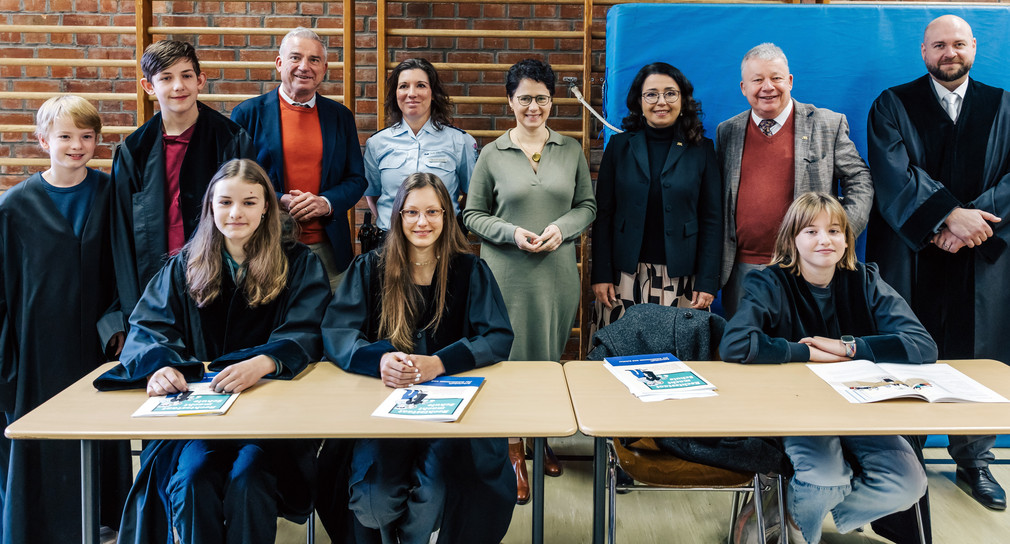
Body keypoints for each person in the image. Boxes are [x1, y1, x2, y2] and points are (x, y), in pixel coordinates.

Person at [93, 159, 331, 544]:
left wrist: (266, 360)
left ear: (267, 206)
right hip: (197, 418)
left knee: (249, 477)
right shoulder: (184, 266)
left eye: (249, 202)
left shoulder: (299, 264)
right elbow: (149, 327)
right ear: (210, 207)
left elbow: (310, 329)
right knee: (193, 477)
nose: (236, 213)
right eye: (225, 202)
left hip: (269, 419)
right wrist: (160, 367)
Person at [721, 192, 934, 544]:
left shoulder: (865, 280)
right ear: (792, 239)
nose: (825, 240)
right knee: (825, 479)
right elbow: (735, 344)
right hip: (797, 407)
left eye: (835, 230)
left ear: (847, 239)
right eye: (811, 231)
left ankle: (788, 509)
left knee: (909, 482)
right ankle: (805, 522)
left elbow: (922, 344)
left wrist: (850, 348)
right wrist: (806, 354)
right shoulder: (769, 281)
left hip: (859, 407)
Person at [319, 173, 516, 544]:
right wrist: (377, 361)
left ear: (447, 216)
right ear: (397, 216)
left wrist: (440, 363)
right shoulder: (369, 268)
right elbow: (337, 333)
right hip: (380, 411)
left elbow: (496, 336)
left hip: (451, 416)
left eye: (432, 212)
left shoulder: (470, 271)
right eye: (411, 212)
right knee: (372, 499)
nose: (422, 222)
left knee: (435, 491)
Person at [866, 14, 1010, 515]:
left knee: (982, 348)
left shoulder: (1005, 106)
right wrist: (949, 216)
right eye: (939, 45)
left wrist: (974, 225)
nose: (949, 53)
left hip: (983, 256)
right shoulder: (891, 104)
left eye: (958, 44)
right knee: (907, 345)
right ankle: (903, 458)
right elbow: (891, 174)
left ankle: (975, 459)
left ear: (974, 47)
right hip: (913, 253)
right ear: (923, 52)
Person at [463, 59, 597, 503]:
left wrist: (564, 228)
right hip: (506, 273)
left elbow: (587, 206)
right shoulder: (491, 153)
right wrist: (511, 233)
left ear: (552, 100)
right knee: (511, 359)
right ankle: (512, 448)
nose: (533, 106)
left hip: (557, 272)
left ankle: (542, 436)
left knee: (547, 357)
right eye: (525, 98)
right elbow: (472, 215)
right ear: (510, 101)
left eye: (541, 98)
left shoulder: (570, 149)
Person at [0, 95, 130, 543]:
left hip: (96, 342)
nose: (77, 145)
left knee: (98, 427)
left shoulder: (111, 192)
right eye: (65, 136)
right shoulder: (15, 206)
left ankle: (104, 520)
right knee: (42, 436)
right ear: (42, 141)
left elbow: (122, 268)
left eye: (87, 136)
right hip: (37, 344)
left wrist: (119, 326)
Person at [717, 42, 873, 318]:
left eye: (776, 78)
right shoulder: (727, 131)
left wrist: (839, 233)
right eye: (757, 80)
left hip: (806, 265)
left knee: (807, 348)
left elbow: (859, 179)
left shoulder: (827, 124)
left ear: (789, 81)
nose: (768, 87)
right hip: (741, 269)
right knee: (744, 350)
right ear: (743, 87)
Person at [111, 39, 255, 320]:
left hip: (220, 280)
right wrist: (129, 310)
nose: (179, 86)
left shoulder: (231, 140)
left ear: (200, 80)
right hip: (155, 284)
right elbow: (121, 234)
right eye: (166, 78)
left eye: (186, 75)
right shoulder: (133, 151)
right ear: (149, 86)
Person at [231, 27, 367, 291]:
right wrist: (279, 199)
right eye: (296, 57)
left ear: (324, 68)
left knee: (331, 326)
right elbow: (231, 182)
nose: (304, 66)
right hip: (266, 246)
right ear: (280, 63)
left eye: (314, 60)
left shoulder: (340, 116)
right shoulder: (248, 114)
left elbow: (356, 178)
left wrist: (326, 203)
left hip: (329, 250)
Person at [591, 62, 722, 331]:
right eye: (651, 94)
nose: (661, 101)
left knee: (677, 361)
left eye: (670, 93)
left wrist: (708, 280)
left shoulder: (702, 150)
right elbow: (603, 215)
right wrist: (601, 273)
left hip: (684, 279)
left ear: (683, 99)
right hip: (624, 278)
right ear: (639, 101)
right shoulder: (618, 147)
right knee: (621, 357)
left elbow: (713, 220)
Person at [364, 58, 478, 235]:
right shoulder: (377, 143)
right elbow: (373, 194)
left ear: (433, 93)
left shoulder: (460, 141)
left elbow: (472, 193)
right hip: (390, 241)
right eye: (403, 86)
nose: (411, 93)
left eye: (421, 85)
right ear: (395, 93)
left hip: (443, 241)